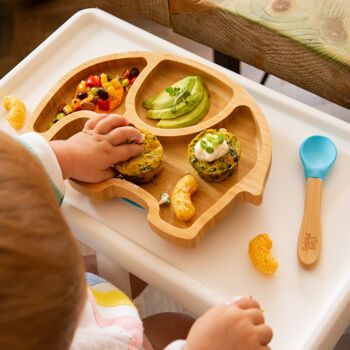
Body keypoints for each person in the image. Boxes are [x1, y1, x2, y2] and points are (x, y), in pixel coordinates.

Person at [0, 113, 273, 349]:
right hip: (111, 338)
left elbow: (9, 175)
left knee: (143, 272)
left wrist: (65, 155)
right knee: (178, 326)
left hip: (91, 298)